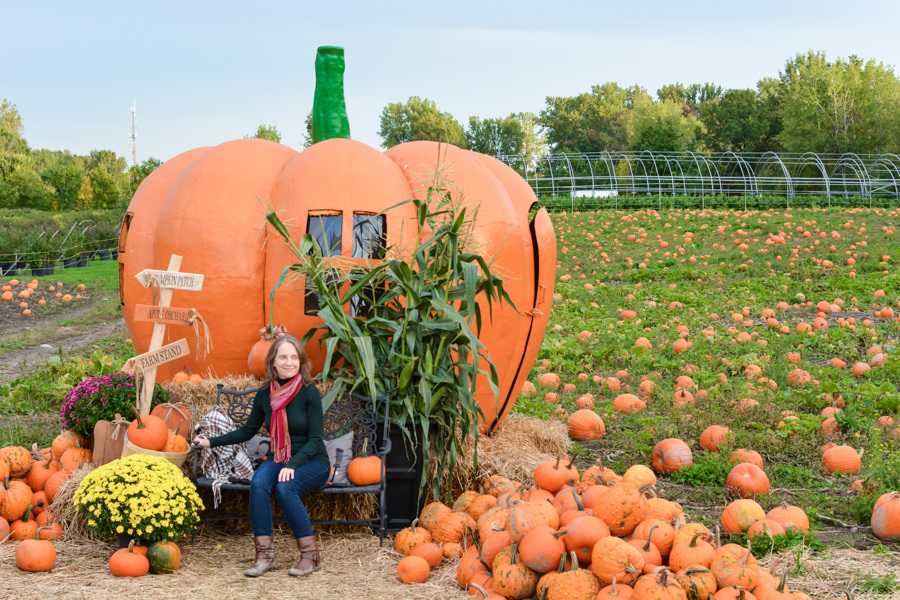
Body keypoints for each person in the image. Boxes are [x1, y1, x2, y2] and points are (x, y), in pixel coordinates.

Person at [193, 334, 330, 577]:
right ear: (273, 363)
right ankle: (264, 557)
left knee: (286, 488)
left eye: (294, 357)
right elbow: (247, 431)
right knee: (258, 484)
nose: (289, 362)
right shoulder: (265, 395)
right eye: (283, 357)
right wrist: (209, 442)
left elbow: (315, 440)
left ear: (301, 361)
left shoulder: (309, 392)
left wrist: (294, 464)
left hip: (311, 460)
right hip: (279, 457)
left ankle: (311, 557)